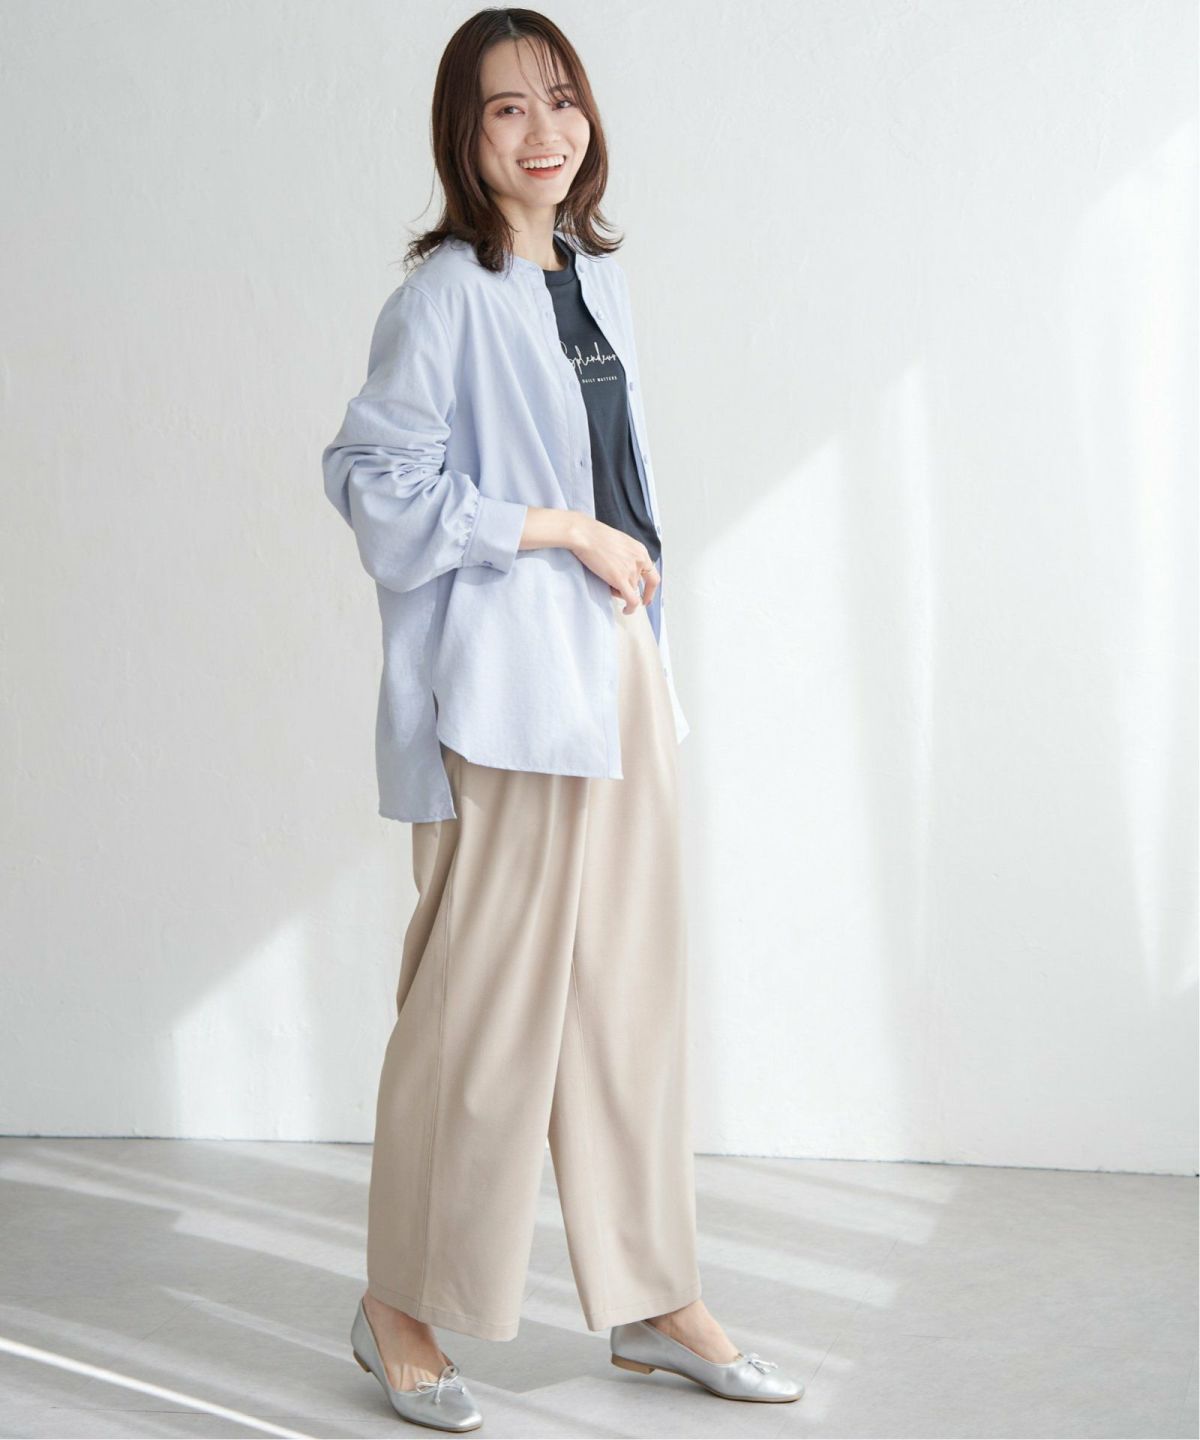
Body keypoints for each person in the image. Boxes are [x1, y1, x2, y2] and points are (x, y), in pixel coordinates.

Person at [322, 9, 803, 1431]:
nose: (544, 132)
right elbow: (375, 483)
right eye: (506, 109)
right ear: (464, 138)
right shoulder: (442, 299)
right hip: (508, 693)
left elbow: (623, 478)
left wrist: (627, 579)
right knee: (479, 1011)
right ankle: (399, 1306)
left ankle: (656, 1298)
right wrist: (559, 531)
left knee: (629, 1003)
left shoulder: (597, 281)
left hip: (623, 673)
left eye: (561, 99)